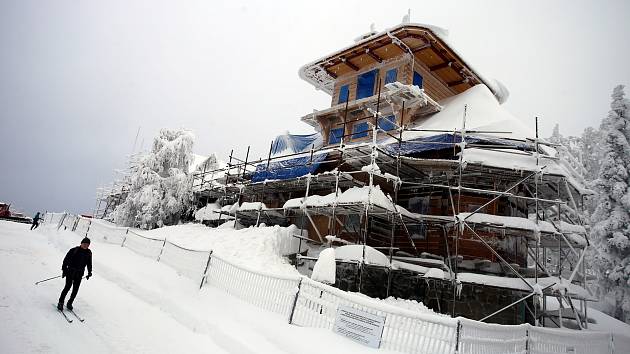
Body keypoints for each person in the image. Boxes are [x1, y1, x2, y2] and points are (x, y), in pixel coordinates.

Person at [57, 237, 92, 311]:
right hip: (70, 272)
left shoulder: (89, 253)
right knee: (67, 287)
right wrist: (64, 269)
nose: (86, 245)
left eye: (87, 244)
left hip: (79, 273)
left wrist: (89, 272)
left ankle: (70, 303)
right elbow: (65, 260)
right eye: (84, 244)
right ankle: (60, 302)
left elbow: (89, 263)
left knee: (75, 290)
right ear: (81, 243)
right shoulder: (74, 250)